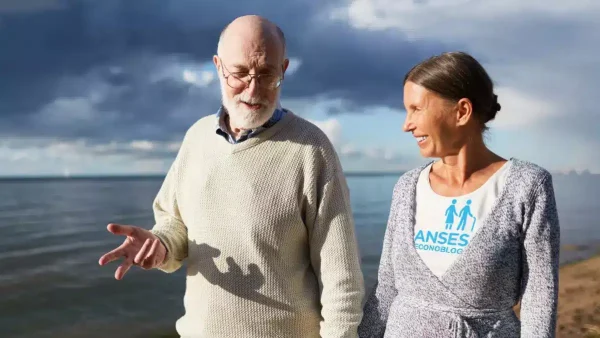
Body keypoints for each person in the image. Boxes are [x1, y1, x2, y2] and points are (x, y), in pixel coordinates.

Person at [98, 15, 365, 338]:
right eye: (239, 73)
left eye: (267, 74)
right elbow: (175, 220)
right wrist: (161, 244)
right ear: (217, 66)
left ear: (283, 69)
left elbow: (342, 277)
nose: (253, 90)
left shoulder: (311, 149)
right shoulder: (197, 138)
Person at [358, 51, 560, 337]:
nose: (407, 124)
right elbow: (387, 286)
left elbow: (539, 296)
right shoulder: (407, 186)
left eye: (416, 109)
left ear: (462, 111)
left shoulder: (527, 185)